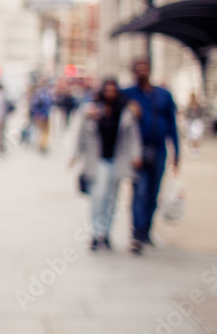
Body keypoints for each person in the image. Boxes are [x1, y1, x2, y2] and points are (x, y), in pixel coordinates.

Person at [73, 79, 142, 250]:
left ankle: (106, 233)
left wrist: (136, 155)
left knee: (112, 199)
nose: (110, 94)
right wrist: (76, 154)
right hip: (98, 161)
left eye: (113, 90)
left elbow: (133, 135)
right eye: (107, 90)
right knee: (98, 196)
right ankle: (95, 233)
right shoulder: (92, 110)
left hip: (117, 160)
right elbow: (81, 133)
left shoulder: (124, 111)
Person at [121, 59, 179, 254]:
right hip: (137, 151)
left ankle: (146, 231)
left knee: (153, 194)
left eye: (144, 69)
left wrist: (176, 153)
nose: (141, 72)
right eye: (138, 69)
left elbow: (172, 124)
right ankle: (136, 233)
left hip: (159, 149)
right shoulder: (127, 94)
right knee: (139, 192)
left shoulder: (163, 95)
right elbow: (106, 101)